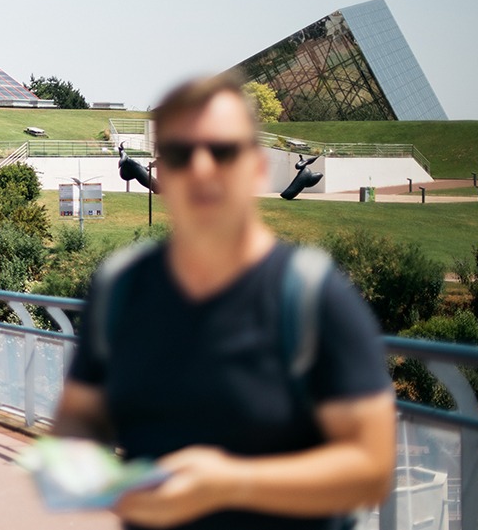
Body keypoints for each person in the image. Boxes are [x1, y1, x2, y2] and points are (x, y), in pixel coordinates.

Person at [50, 73, 395, 529]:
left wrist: (232, 483)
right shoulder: (120, 289)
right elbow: (77, 421)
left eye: (222, 151)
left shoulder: (314, 296)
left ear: (254, 165)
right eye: (180, 153)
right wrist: (95, 474)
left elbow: (371, 468)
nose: (202, 168)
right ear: (161, 170)